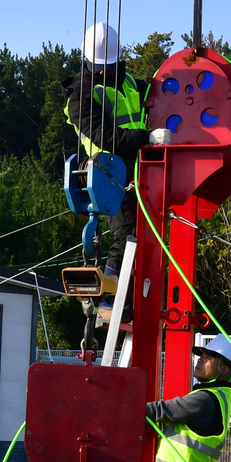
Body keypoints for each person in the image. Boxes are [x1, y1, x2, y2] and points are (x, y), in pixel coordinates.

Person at [62, 22, 171, 322]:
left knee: (148, 236)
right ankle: (110, 301)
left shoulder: (131, 84)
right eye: (99, 68)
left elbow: (159, 92)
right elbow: (103, 136)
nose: (101, 73)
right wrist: (146, 138)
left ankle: (131, 296)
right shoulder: (79, 97)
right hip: (107, 176)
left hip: (141, 173)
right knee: (126, 234)